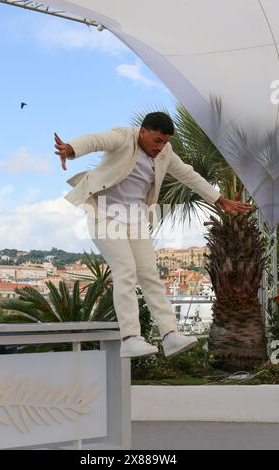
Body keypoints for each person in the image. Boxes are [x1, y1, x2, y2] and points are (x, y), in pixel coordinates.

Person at [54, 112, 252, 359]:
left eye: (166, 141)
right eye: (157, 140)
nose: (161, 147)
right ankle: (130, 338)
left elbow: (188, 174)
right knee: (125, 270)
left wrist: (218, 198)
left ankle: (170, 336)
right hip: (105, 215)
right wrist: (72, 149)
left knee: (149, 275)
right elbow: (97, 140)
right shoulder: (123, 137)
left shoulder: (165, 152)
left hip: (135, 218)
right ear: (143, 132)